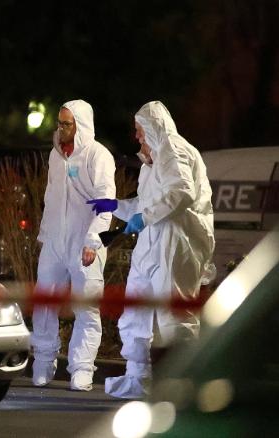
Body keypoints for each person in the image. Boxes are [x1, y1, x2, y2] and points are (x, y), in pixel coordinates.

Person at [88, 101, 215, 399]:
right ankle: (138, 379)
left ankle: (183, 386)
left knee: (174, 316)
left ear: (154, 129)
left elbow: (181, 193)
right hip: (153, 244)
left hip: (177, 242)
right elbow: (147, 205)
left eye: (139, 131)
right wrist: (117, 206)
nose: (137, 137)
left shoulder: (174, 148)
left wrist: (143, 218)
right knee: (136, 312)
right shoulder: (154, 162)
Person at [32, 99, 116, 391]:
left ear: (82, 125)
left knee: (86, 307)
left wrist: (93, 239)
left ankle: (81, 368)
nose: (61, 128)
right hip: (55, 241)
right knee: (45, 302)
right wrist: (45, 235)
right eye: (60, 123)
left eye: (67, 124)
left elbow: (106, 202)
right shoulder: (57, 155)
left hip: (85, 242)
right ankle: (43, 361)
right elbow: (50, 197)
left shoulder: (98, 156)